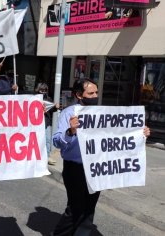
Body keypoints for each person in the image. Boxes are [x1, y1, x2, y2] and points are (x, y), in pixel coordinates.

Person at [51, 78, 150, 235]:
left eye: (96, 92)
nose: (95, 95)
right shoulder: (69, 113)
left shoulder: (102, 113)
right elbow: (56, 141)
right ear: (79, 95)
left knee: (89, 209)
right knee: (75, 208)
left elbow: (118, 135)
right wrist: (70, 131)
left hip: (97, 168)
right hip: (75, 169)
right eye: (91, 93)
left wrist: (140, 133)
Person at [35, 82, 60, 165]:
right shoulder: (34, 98)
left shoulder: (48, 99)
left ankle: (47, 156)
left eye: (45, 90)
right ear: (38, 90)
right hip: (36, 123)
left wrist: (55, 108)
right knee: (37, 140)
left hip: (46, 122)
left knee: (48, 140)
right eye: (42, 90)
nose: (43, 92)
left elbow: (51, 110)